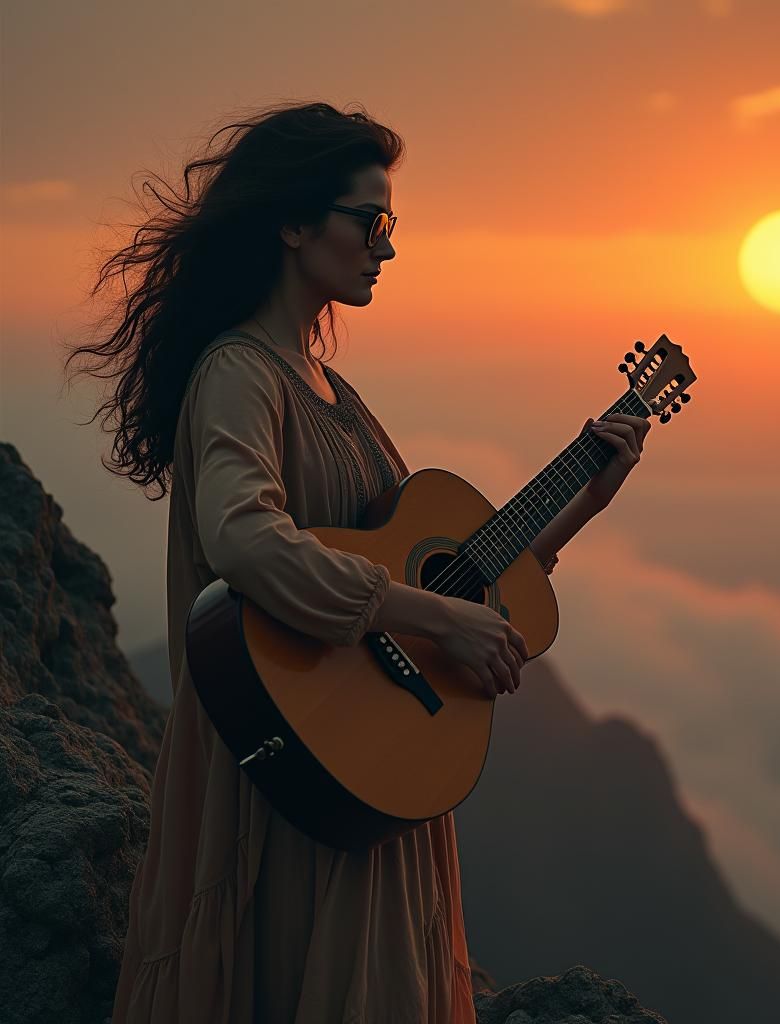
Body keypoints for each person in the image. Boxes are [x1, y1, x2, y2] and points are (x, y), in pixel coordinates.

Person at [66, 100, 650, 1023]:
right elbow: (244, 540)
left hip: (367, 761)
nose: (386, 245)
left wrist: (584, 500)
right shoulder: (239, 374)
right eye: (370, 221)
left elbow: (462, 583)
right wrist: (435, 618)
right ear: (295, 224)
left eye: (392, 225)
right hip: (279, 781)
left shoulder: (335, 391)